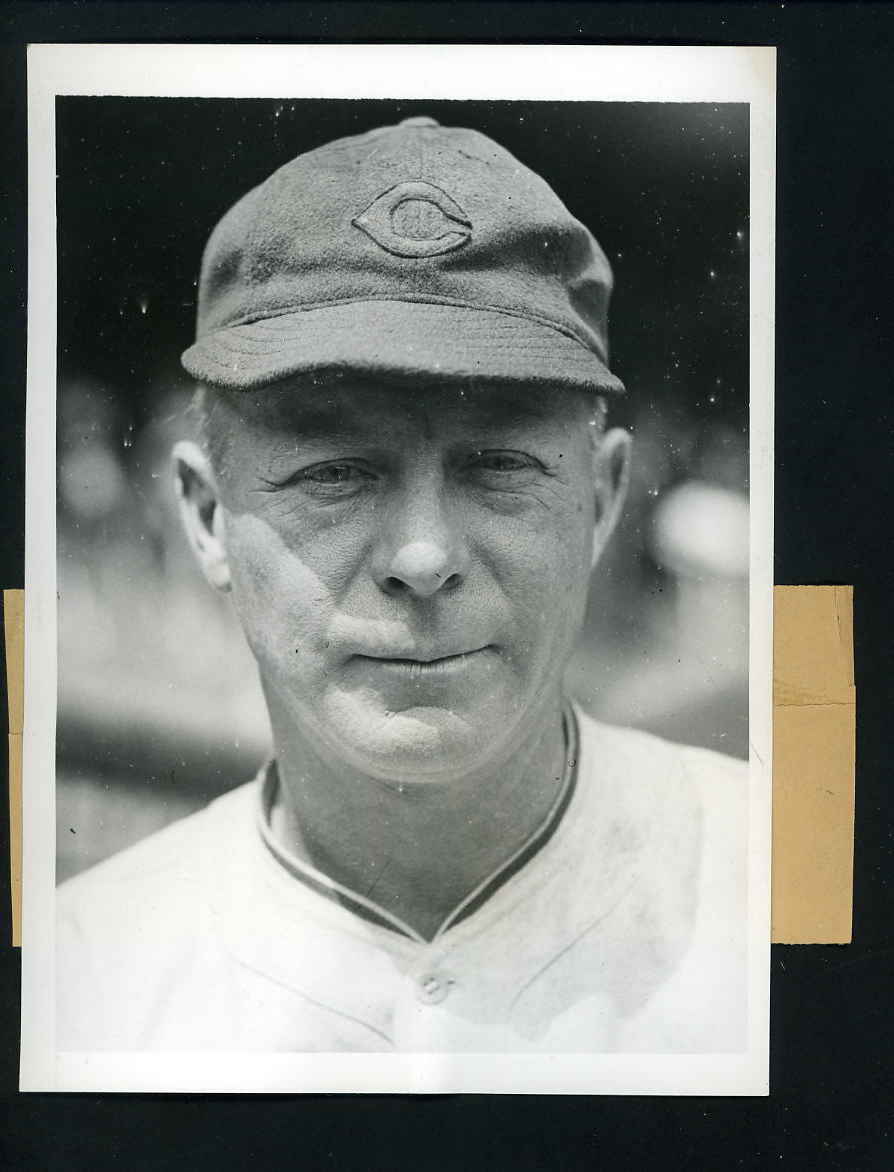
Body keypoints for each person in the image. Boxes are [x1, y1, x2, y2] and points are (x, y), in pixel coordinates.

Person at [57, 115, 747, 1053]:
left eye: (498, 463)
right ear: (208, 516)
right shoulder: (79, 980)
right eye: (335, 471)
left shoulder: (784, 896)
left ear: (600, 500)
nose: (423, 559)